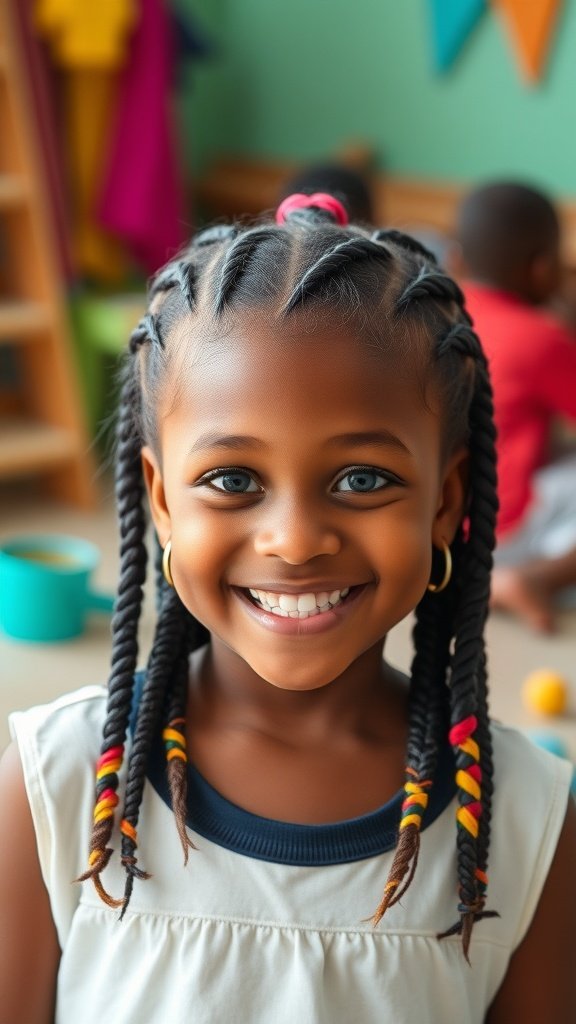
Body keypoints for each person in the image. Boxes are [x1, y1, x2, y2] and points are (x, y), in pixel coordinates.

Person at [1, 193, 575, 1024]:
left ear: (447, 502)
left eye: (362, 480)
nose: (296, 541)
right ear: (162, 502)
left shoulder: (525, 820)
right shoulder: (54, 786)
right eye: (233, 481)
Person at [457, 181, 576, 632]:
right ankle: (534, 579)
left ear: (460, 258)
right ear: (542, 268)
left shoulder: (444, 311)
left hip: (445, 518)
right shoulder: (540, 337)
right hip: (500, 525)